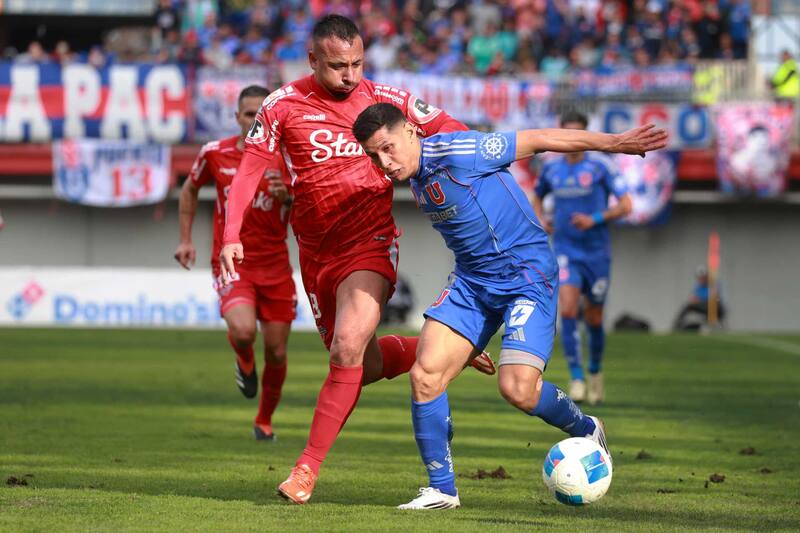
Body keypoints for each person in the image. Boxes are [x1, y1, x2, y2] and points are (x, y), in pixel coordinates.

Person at [218, 15, 495, 505]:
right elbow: (249, 171)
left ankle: (305, 471)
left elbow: (452, 130)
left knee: (347, 346)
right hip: (315, 254)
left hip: (369, 243)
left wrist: (483, 174)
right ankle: (447, 348)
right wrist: (231, 234)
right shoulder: (281, 106)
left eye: (357, 63)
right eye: (338, 66)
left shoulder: (386, 100)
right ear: (312, 60)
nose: (350, 75)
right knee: (357, 365)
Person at [352, 102, 667, 509]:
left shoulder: (461, 151)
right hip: (472, 283)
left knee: (517, 389)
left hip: (526, 277)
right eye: (374, 155)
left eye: (388, 148)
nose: (384, 162)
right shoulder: (413, 174)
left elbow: (539, 139)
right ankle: (442, 490)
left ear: (411, 131)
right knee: (425, 375)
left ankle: (588, 428)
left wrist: (614, 143)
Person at [174, 85, 295, 442]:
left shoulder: (288, 156)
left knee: (276, 351)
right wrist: (185, 239)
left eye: (261, 113)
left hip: (276, 265)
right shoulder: (215, 153)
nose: (255, 119)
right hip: (232, 262)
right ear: (237, 117)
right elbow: (190, 189)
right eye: (248, 113)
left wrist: (289, 195)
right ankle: (243, 358)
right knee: (244, 331)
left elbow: (309, 202)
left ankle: (264, 419)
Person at [532, 111, 633, 406]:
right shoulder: (551, 169)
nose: (573, 142)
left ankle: (595, 372)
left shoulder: (601, 166)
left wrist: (595, 218)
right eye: (567, 135)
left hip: (597, 253)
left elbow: (627, 205)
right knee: (567, 309)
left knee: (595, 317)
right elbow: (537, 196)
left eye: (578, 134)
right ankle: (576, 377)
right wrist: (542, 220)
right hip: (565, 250)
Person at [673, 265, 726, 331]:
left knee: (712, 303)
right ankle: (676, 326)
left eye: (703, 277)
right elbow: (693, 298)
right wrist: (695, 300)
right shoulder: (698, 286)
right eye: (700, 278)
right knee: (688, 306)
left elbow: (715, 298)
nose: (701, 279)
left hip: (717, 309)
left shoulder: (714, 284)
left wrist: (700, 300)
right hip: (705, 308)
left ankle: (712, 326)